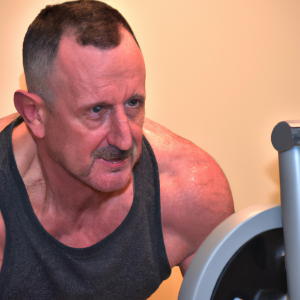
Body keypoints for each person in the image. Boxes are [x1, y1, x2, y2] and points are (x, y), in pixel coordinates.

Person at [0, 1, 234, 299]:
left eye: (133, 103)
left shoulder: (190, 192)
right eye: (97, 110)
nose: (125, 141)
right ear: (34, 114)